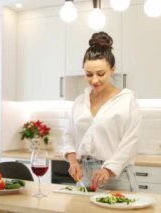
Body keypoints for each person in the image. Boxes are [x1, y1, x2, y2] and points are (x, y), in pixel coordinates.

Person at [62, 31, 142, 192]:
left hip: (116, 178)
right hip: (83, 178)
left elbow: (130, 142)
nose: (94, 80)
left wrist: (108, 169)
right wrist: (73, 162)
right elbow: (68, 137)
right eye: (88, 74)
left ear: (113, 69)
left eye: (100, 73)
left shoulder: (127, 100)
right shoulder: (79, 102)